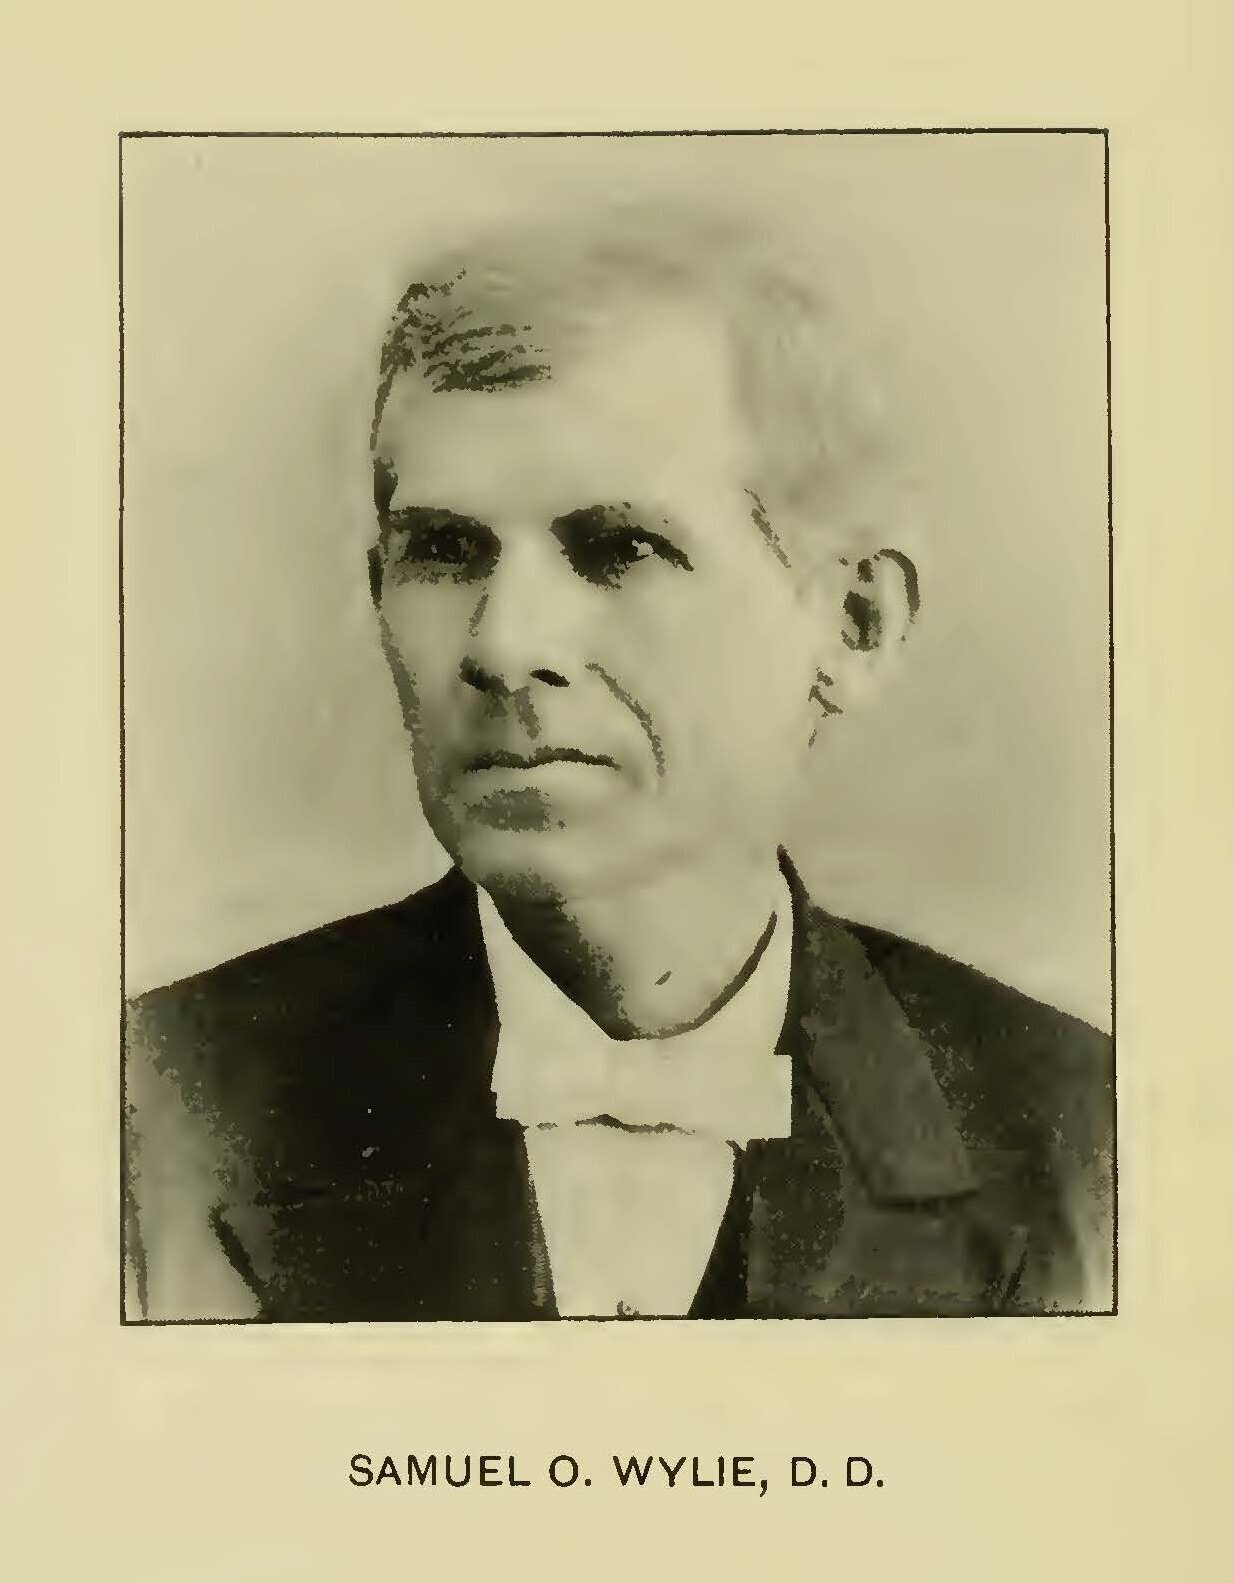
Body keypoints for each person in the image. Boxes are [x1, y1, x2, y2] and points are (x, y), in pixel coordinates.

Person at [123, 203, 1114, 1322]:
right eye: (444, 550)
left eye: (618, 547)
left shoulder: (1092, 1150)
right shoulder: (151, 1113)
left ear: (854, 622)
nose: (505, 645)